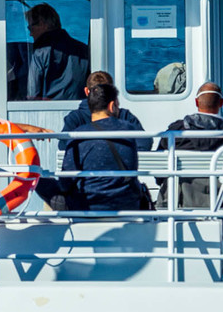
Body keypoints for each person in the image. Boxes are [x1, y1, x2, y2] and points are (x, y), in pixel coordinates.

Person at [56, 72, 153, 212]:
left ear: (86, 91)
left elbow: (63, 149)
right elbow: (145, 144)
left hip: (85, 197)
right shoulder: (126, 119)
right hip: (125, 197)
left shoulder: (74, 120)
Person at [161, 82, 223, 209]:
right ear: (221, 103)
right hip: (219, 202)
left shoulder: (175, 133)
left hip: (178, 201)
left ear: (196, 102)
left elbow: (159, 170)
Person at [8, 1, 90, 103]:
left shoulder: (40, 52)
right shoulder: (84, 50)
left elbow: (33, 94)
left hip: (48, 112)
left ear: (42, 24)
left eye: (30, 27)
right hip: (80, 111)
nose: (30, 34)